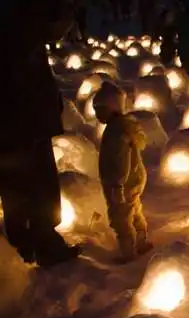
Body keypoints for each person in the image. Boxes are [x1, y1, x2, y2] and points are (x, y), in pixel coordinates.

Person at [0, 0, 81, 268]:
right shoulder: (21, 19)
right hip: (23, 107)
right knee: (37, 177)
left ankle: (23, 240)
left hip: (15, 112)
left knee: (13, 177)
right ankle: (42, 239)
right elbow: (50, 26)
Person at [93, 82, 153, 263]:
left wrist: (117, 185)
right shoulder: (123, 127)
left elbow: (120, 161)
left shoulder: (116, 133)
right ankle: (142, 241)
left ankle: (128, 252)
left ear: (112, 109)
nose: (97, 114)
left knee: (120, 217)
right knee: (133, 209)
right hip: (133, 179)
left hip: (122, 183)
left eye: (100, 109)